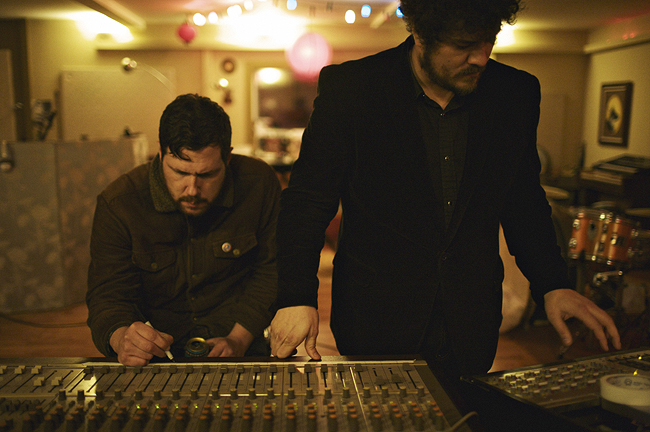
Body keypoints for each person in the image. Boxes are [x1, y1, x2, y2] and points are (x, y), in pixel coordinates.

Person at [270, 0, 621, 380]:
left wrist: (553, 284)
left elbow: (523, 202)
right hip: (375, 314)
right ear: (420, 34)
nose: (481, 58)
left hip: (470, 318)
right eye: (464, 45)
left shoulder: (514, 92)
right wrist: (296, 296)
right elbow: (307, 203)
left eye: (489, 41)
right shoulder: (352, 88)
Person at [87, 94, 281, 366]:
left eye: (207, 174)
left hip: (241, 343)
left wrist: (238, 339)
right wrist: (122, 339)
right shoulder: (119, 203)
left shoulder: (258, 184)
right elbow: (108, 296)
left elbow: (271, 271)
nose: (192, 190)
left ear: (227, 157)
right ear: (160, 152)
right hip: (154, 356)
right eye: (179, 172)